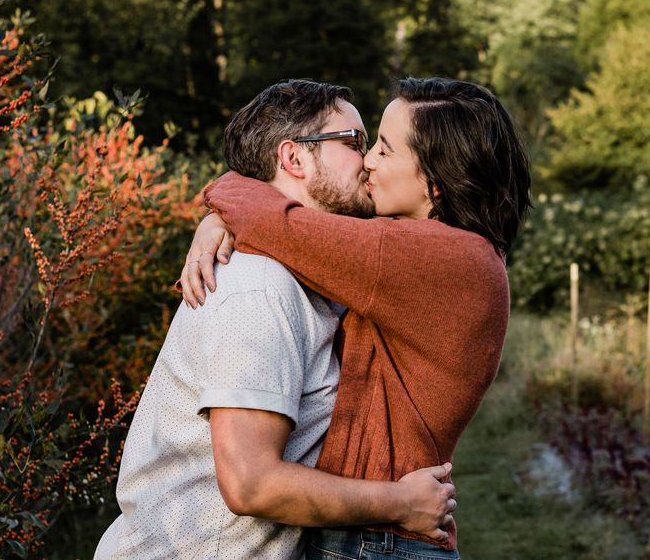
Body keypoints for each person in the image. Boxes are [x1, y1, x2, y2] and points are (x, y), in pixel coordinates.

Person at [95, 80, 456, 560]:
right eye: (354, 143)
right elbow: (251, 484)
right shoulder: (259, 290)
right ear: (295, 159)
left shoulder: (314, 272)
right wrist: (402, 503)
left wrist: (220, 215)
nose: (369, 160)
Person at [179, 77, 531, 560]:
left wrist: (221, 203)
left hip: (380, 539)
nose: (367, 161)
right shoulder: (445, 253)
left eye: (383, 150)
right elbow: (290, 225)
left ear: (436, 182)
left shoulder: (434, 257)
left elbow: (278, 224)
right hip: (379, 534)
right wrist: (220, 220)